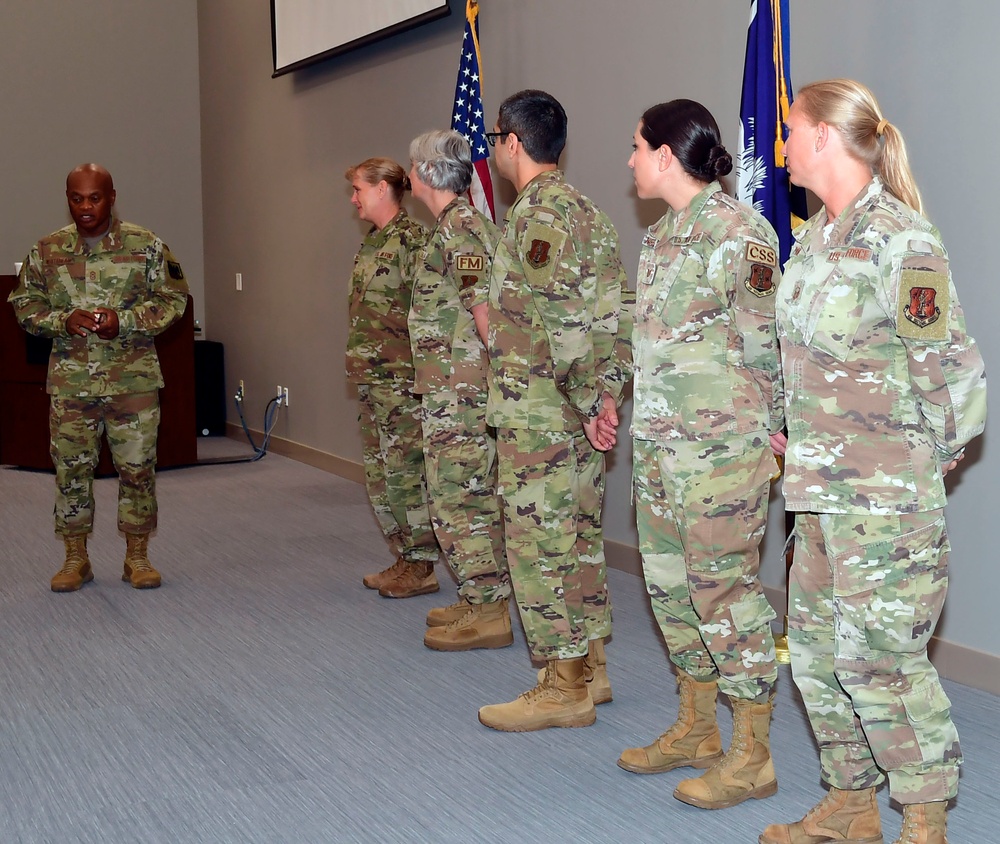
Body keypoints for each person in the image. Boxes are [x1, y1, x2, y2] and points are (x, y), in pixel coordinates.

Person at [759, 79, 986, 844]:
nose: (783, 144)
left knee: (882, 664)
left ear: (825, 135)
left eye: (792, 129)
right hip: (818, 494)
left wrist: (919, 465)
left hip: (885, 503)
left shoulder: (901, 239)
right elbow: (817, 363)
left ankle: (924, 821)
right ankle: (851, 805)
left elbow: (952, 374)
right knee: (818, 659)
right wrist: (802, 432)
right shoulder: (816, 236)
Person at [613, 100, 784, 811]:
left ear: (664, 154)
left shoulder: (738, 235)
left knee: (726, 598)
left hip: (719, 456)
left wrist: (773, 433)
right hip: (658, 451)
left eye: (634, 147)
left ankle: (752, 753)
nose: (627, 161)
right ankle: (696, 727)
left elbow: (766, 346)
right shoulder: (660, 238)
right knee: (670, 592)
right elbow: (648, 342)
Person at [477, 89, 632, 732]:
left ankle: (561, 686)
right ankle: (591, 671)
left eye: (496, 141)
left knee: (538, 546)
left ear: (514, 144)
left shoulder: (538, 216)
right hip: (578, 411)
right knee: (578, 539)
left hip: (542, 412)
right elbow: (617, 318)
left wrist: (585, 402)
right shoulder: (590, 213)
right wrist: (607, 399)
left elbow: (564, 325)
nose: (495, 152)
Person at [9, 163, 189, 591]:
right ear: (67, 197)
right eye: (77, 198)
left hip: (133, 383)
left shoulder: (146, 245)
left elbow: (173, 301)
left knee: (138, 469)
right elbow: (23, 305)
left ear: (112, 196)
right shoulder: (47, 250)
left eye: (95, 197)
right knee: (71, 470)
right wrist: (61, 320)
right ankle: (75, 559)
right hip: (72, 385)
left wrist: (123, 321)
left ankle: (138, 557)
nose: (86, 206)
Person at [405, 129, 513, 650]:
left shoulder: (460, 230)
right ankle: (478, 596)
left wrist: (508, 386)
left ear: (426, 174)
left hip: (461, 395)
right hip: (455, 388)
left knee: (458, 496)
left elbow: (485, 314)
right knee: (465, 493)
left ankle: (488, 610)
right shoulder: (459, 224)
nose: (408, 175)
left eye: (411, 166)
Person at [345, 158, 442, 599]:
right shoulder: (372, 243)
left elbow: (430, 314)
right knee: (381, 474)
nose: (354, 199)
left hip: (403, 381)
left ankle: (422, 565)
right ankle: (404, 554)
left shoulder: (414, 242)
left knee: (405, 472)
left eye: (358, 190)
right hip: (372, 379)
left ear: (383, 189)